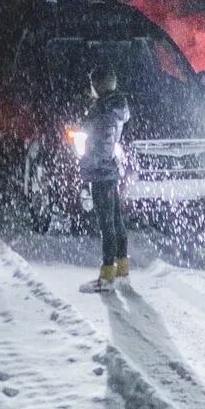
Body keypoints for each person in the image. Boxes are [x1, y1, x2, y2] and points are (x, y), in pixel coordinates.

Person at [78, 65, 131, 293]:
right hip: (110, 171)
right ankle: (122, 271)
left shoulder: (103, 111)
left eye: (92, 84)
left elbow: (103, 144)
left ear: (98, 86)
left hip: (102, 173)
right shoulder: (115, 108)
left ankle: (107, 275)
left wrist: (88, 163)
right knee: (116, 221)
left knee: (106, 224)